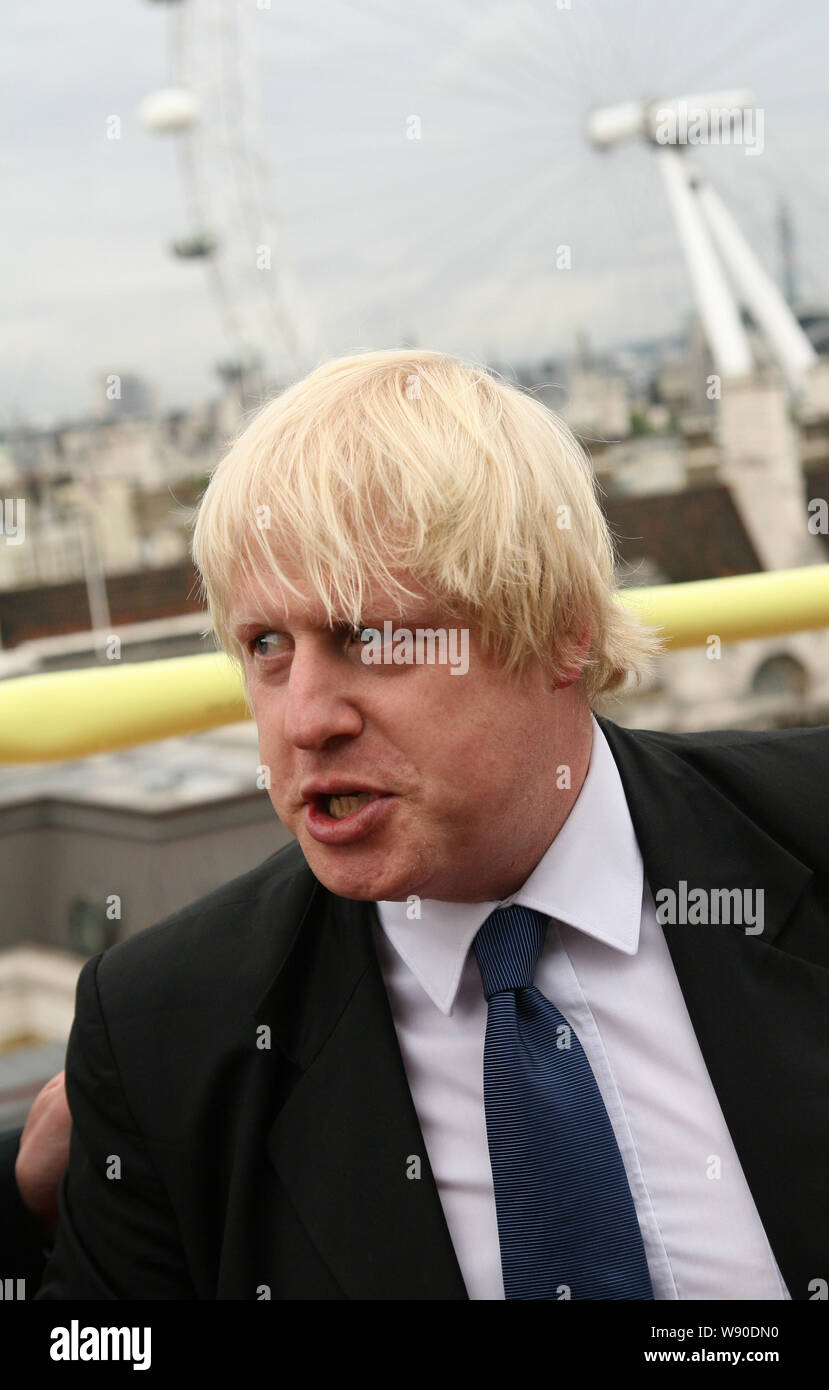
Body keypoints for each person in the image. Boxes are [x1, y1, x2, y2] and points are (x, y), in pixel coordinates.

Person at [8, 348, 829, 1299]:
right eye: (266, 646)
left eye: (372, 638)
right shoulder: (169, 1034)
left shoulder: (803, 826)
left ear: (562, 629)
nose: (305, 719)